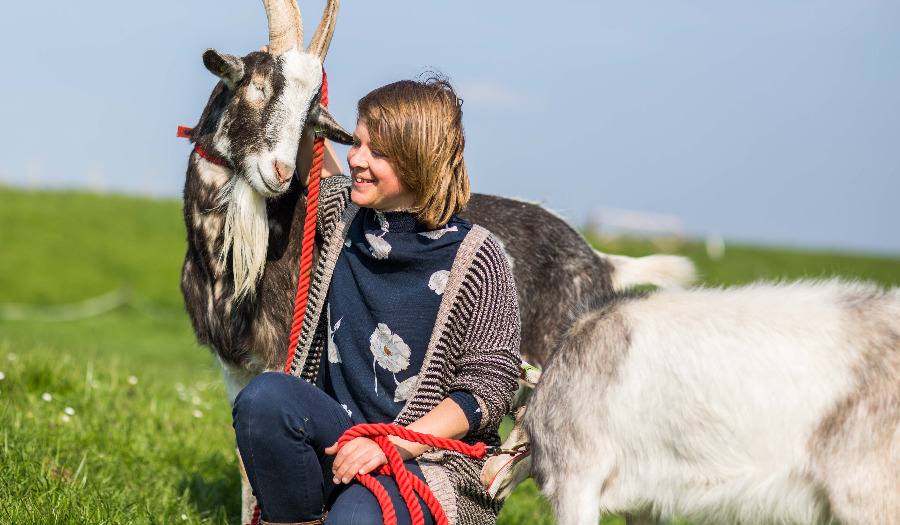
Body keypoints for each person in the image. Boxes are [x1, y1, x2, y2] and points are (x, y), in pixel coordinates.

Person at [232, 76, 521, 525]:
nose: (357, 159)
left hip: (426, 461)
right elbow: (313, 151)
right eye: (358, 141)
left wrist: (390, 445)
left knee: (358, 518)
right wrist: (295, 70)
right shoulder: (346, 216)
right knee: (263, 401)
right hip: (339, 438)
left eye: (378, 153)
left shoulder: (478, 258)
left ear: (418, 161)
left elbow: (489, 388)